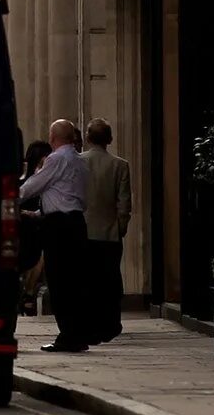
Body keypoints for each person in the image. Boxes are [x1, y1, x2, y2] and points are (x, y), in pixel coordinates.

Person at [19, 118, 91, 352]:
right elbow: (69, 196)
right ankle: (77, 334)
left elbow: (33, 186)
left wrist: (8, 196)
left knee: (59, 280)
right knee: (74, 280)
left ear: (53, 137)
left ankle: (68, 336)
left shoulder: (56, 159)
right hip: (76, 223)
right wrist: (39, 212)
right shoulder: (79, 161)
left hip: (59, 227)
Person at [80, 119, 133, 344]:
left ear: (87, 137)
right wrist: (120, 226)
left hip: (83, 231)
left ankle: (89, 322)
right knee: (110, 279)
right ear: (109, 139)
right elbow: (124, 202)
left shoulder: (78, 162)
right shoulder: (120, 165)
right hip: (109, 233)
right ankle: (110, 323)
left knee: (87, 280)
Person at [17, 139, 52, 315]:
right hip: (30, 227)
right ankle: (28, 294)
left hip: (33, 226)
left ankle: (28, 294)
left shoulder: (29, 179)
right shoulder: (35, 180)